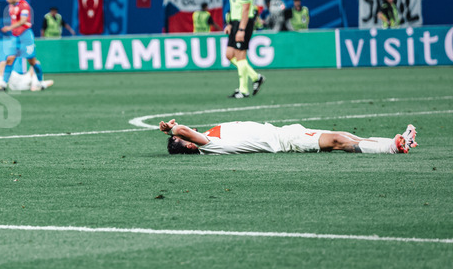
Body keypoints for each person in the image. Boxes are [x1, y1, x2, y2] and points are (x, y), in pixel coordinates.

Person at [160, 118, 418, 155]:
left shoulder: (205, 135)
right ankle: (393, 148)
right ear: (189, 146)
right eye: (185, 141)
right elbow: (182, 131)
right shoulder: (208, 145)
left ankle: (394, 141)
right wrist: (171, 129)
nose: (189, 138)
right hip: (284, 141)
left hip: (281, 131)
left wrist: (178, 130)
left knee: (340, 134)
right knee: (338, 142)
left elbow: (186, 131)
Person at [0, 0, 47, 92]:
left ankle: (41, 82)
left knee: (32, 61)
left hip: (26, 36)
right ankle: (3, 85)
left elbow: (23, 21)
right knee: (9, 59)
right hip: (15, 37)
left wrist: (9, 27)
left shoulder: (24, 5)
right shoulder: (11, 6)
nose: (7, 0)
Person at [225, 0, 264, 99]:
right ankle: (255, 77)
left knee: (241, 56)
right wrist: (230, 24)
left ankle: (243, 90)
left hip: (244, 23)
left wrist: (241, 30)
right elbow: (235, 6)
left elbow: (246, 10)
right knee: (229, 54)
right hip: (235, 22)